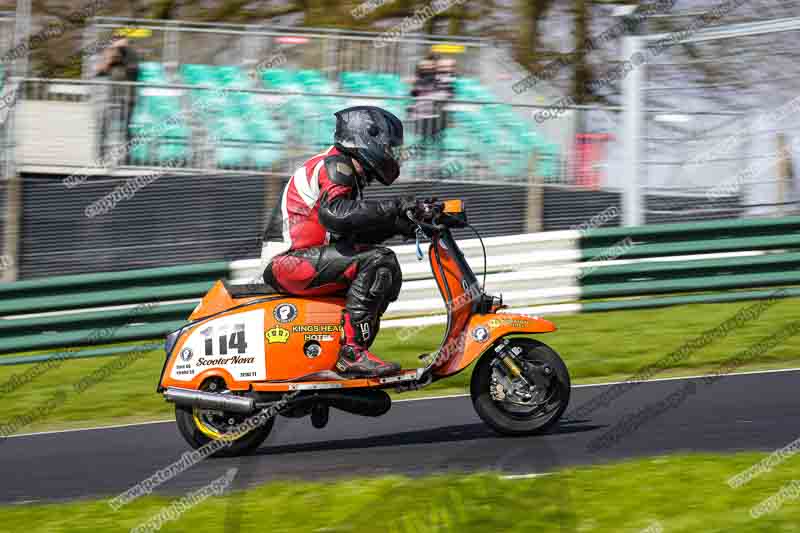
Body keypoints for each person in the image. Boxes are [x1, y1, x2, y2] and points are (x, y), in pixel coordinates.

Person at [262, 106, 417, 377]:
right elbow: (336, 215)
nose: (392, 154)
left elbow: (352, 231)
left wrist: (403, 224)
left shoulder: (345, 170)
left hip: (304, 258)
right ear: (367, 137)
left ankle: (345, 352)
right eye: (389, 147)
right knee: (380, 261)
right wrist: (393, 208)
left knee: (386, 268)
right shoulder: (335, 165)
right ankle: (352, 354)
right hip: (288, 262)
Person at [95, 37, 139, 160]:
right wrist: (108, 59)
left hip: (128, 98)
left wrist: (121, 50)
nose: (116, 46)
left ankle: (127, 158)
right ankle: (101, 155)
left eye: (120, 42)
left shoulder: (131, 54)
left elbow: (133, 69)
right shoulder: (113, 57)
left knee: (126, 129)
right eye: (115, 43)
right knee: (104, 125)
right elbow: (99, 72)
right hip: (112, 99)